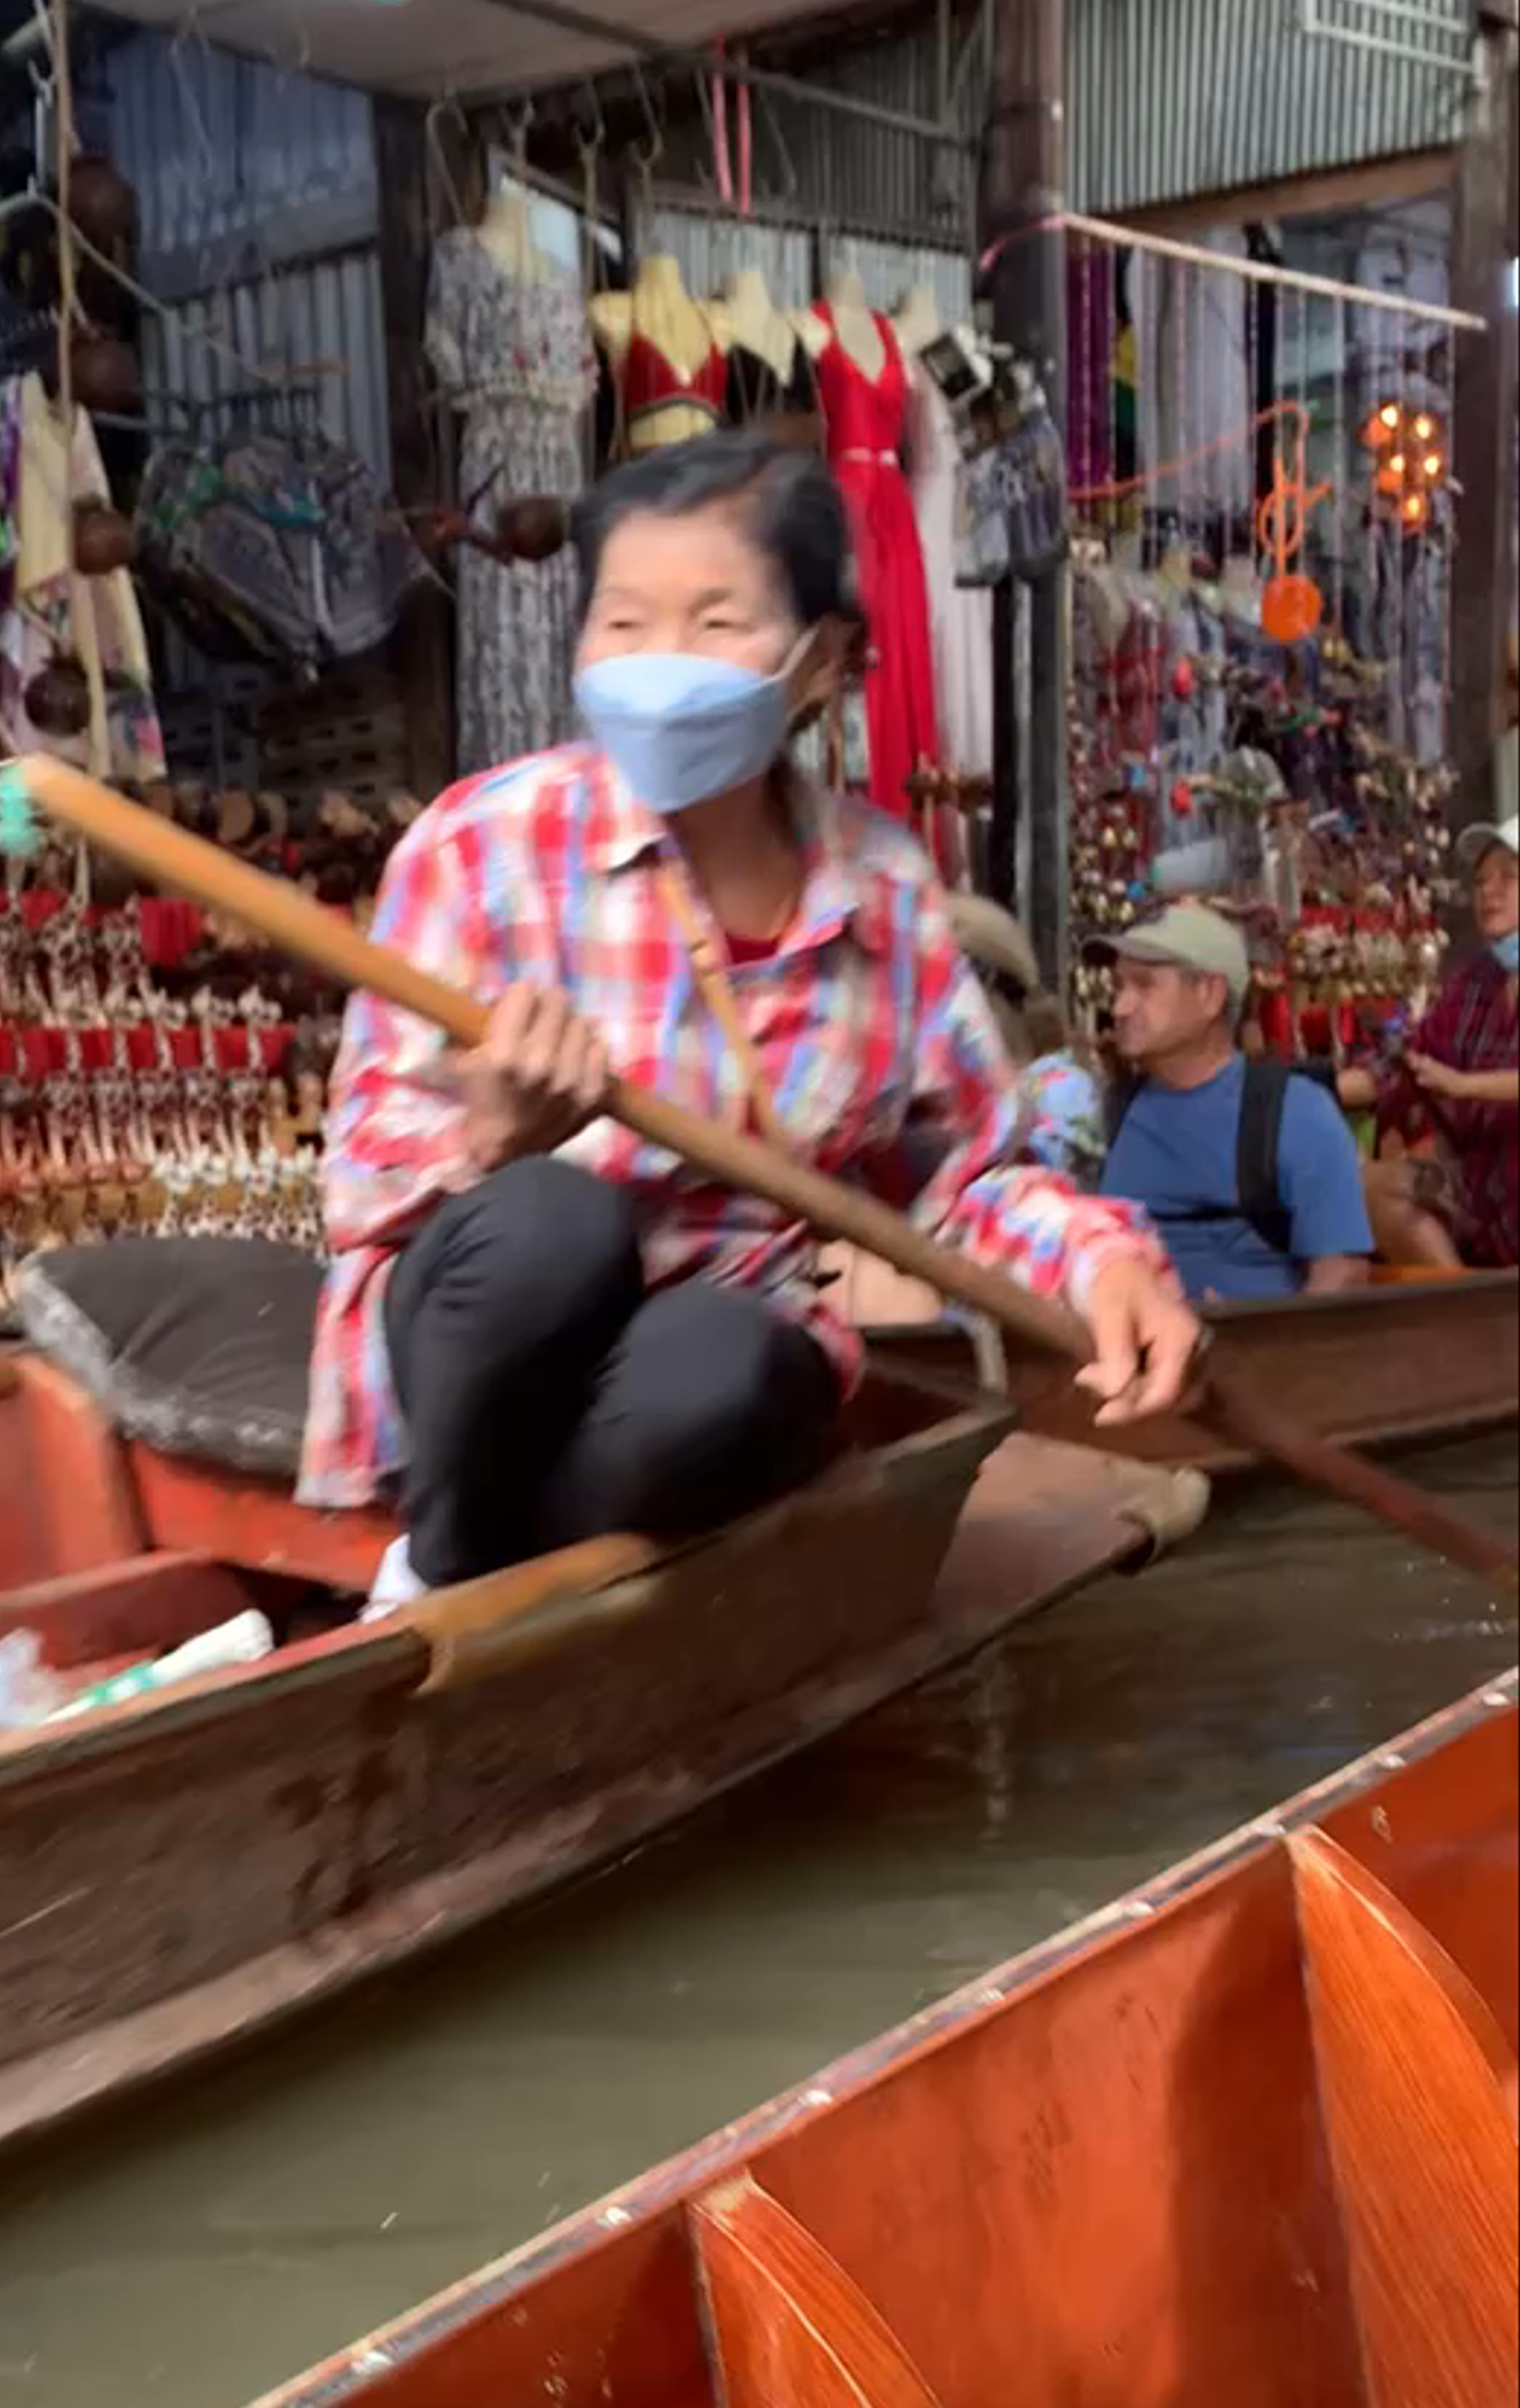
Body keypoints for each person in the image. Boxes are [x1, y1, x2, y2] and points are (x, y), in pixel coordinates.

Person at [299, 432, 1196, 1605]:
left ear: (820, 660)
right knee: (554, 1225)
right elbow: (356, 1182)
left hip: (686, 1376)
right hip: (476, 1361)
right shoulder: (481, 846)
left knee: (730, 1359)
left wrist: (1105, 1263)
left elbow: (962, 1180)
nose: (659, 662)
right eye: (622, 623)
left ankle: (538, 1578)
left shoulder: (883, 894)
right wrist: (486, 1137)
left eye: (716, 623)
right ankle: (440, 1571)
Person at [1099, 901, 1372, 1306]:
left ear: (1210, 994)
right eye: (1119, 987)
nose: (1120, 1008)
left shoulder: (1294, 1114)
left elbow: (1343, 1274)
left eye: (1144, 985)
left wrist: (1265, 1347)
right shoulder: (1104, 1115)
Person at [1362, 815, 1519, 1275]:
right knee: (1372, 1190)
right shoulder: (1473, 982)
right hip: (1484, 1198)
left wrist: (1464, 1084)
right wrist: (1328, 1087)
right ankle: (1476, 1320)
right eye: (1480, 882)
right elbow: (1414, 1057)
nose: (1488, 892)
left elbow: (1450, 1079)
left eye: (1509, 878)